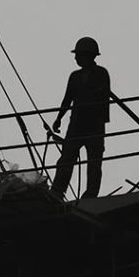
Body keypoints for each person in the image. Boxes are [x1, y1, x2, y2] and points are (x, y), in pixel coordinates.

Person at [49, 37, 111, 199]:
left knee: (94, 163)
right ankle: (57, 190)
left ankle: (90, 194)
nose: (75, 58)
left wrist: (100, 121)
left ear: (88, 56)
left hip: (94, 125)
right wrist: (59, 118)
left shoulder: (101, 73)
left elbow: (104, 99)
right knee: (66, 159)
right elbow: (67, 98)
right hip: (76, 124)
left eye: (79, 55)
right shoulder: (74, 77)